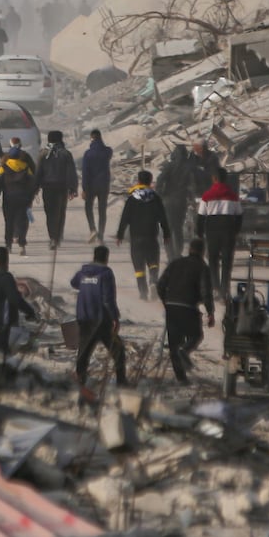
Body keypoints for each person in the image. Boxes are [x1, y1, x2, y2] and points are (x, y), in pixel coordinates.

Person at [156, 238, 214, 385]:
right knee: (196, 335)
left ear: (189, 249)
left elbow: (160, 284)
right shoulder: (202, 267)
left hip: (171, 307)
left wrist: (165, 300)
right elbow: (206, 291)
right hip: (188, 307)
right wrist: (210, 311)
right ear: (203, 251)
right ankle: (185, 350)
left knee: (174, 343)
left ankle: (181, 378)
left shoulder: (176, 263)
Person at [71, 244, 128, 392]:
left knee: (84, 351)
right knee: (118, 350)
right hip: (101, 320)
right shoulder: (106, 273)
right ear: (106, 258)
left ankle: (80, 380)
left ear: (94, 256)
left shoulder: (82, 273)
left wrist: (87, 287)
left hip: (83, 317)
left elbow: (74, 283)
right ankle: (121, 381)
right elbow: (107, 299)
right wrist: (115, 317)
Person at [116, 170, 171, 300]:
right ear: (150, 182)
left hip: (136, 238)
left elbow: (125, 218)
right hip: (151, 236)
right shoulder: (156, 198)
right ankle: (153, 281)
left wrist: (120, 235)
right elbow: (163, 217)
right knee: (153, 263)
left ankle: (143, 292)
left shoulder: (132, 199)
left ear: (139, 181)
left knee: (139, 266)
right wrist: (166, 234)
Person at [197, 167, 243, 296]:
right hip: (228, 229)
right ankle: (225, 289)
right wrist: (236, 231)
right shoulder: (233, 196)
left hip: (212, 229)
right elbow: (239, 215)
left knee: (213, 259)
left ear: (214, 179)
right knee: (227, 260)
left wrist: (199, 233)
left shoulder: (207, 195)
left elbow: (201, 216)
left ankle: (215, 287)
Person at [37, 130, 79, 251]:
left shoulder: (43, 153)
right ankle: (58, 235)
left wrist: (35, 188)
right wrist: (73, 188)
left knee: (50, 214)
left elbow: (38, 173)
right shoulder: (66, 154)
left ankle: (53, 238)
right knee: (60, 212)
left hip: (48, 188)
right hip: (62, 188)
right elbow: (71, 173)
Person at [0, 143, 37, 255]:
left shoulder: (4, 168)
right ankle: (22, 245)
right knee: (23, 222)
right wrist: (31, 198)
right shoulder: (26, 168)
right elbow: (33, 185)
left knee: (9, 223)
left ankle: (8, 245)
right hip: (23, 200)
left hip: (8, 201)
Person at [81, 129, 113, 242]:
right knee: (102, 210)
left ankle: (92, 229)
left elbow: (85, 172)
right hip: (104, 185)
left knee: (88, 207)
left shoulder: (88, 154)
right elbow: (108, 151)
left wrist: (84, 188)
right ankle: (101, 234)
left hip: (91, 185)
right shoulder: (108, 151)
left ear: (91, 138)